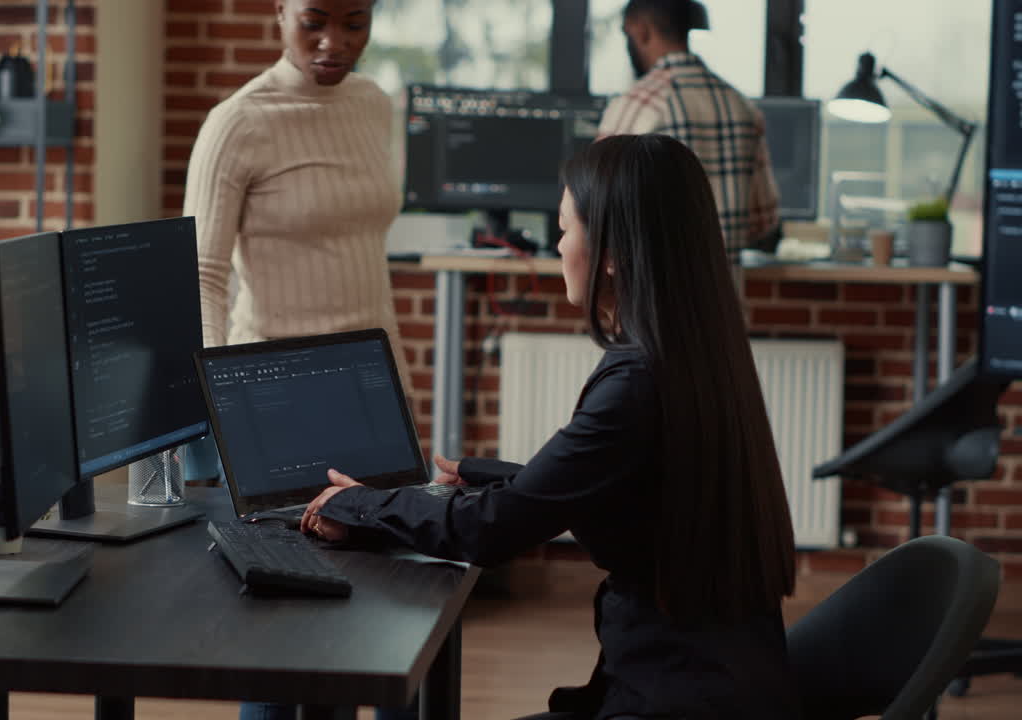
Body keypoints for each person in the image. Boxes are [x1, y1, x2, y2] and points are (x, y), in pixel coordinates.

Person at [299, 134, 802, 720]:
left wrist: (358, 504)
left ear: (612, 251)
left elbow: (492, 531)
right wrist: (483, 477)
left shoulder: (636, 382)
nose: (558, 248)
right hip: (719, 685)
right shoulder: (699, 356)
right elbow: (617, 486)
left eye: (565, 229)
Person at [184, 2, 414, 719]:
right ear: (279, 10)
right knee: (286, 638)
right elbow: (202, 274)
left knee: (379, 625)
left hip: (375, 397)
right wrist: (223, 417)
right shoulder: (239, 121)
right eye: (314, 19)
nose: (333, 43)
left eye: (354, 22)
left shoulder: (374, 104)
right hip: (275, 404)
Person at [598, 0, 779, 260]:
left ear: (641, 30)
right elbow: (763, 218)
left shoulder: (638, 105)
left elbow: (593, 210)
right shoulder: (741, 106)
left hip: (655, 293)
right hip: (725, 293)